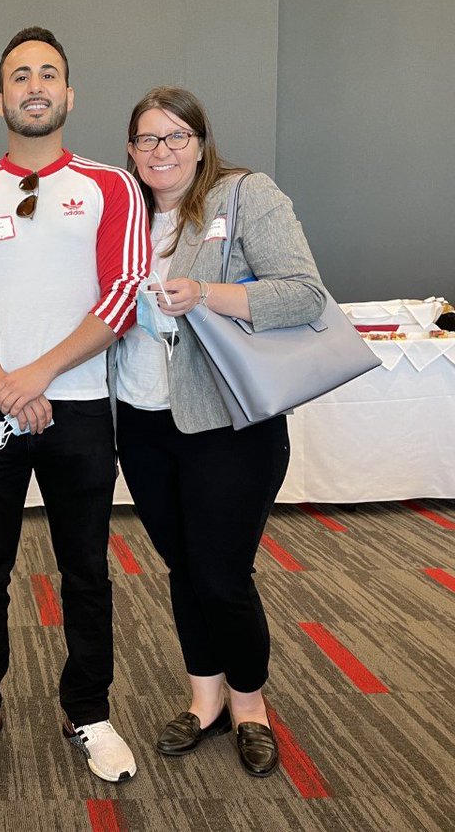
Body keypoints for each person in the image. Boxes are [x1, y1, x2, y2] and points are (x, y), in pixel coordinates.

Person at [0, 27, 149, 783]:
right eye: (21, 75)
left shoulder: (111, 187)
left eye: (49, 73)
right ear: (0, 98)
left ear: (69, 95)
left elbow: (122, 299)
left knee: (86, 569)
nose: (35, 85)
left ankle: (90, 711)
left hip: (78, 410)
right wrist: (5, 384)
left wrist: (36, 378)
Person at [113, 86, 325, 777]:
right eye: (148, 139)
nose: (162, 151)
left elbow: (302, 293)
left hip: (228, 423)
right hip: (142, 420)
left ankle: (250, 706)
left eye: (177, 137)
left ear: (201, 143)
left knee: (223, 574)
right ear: (131, 152)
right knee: (183, 568)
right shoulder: (122, 214)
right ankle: (203, 700)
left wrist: (207, 294)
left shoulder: (245, 195)